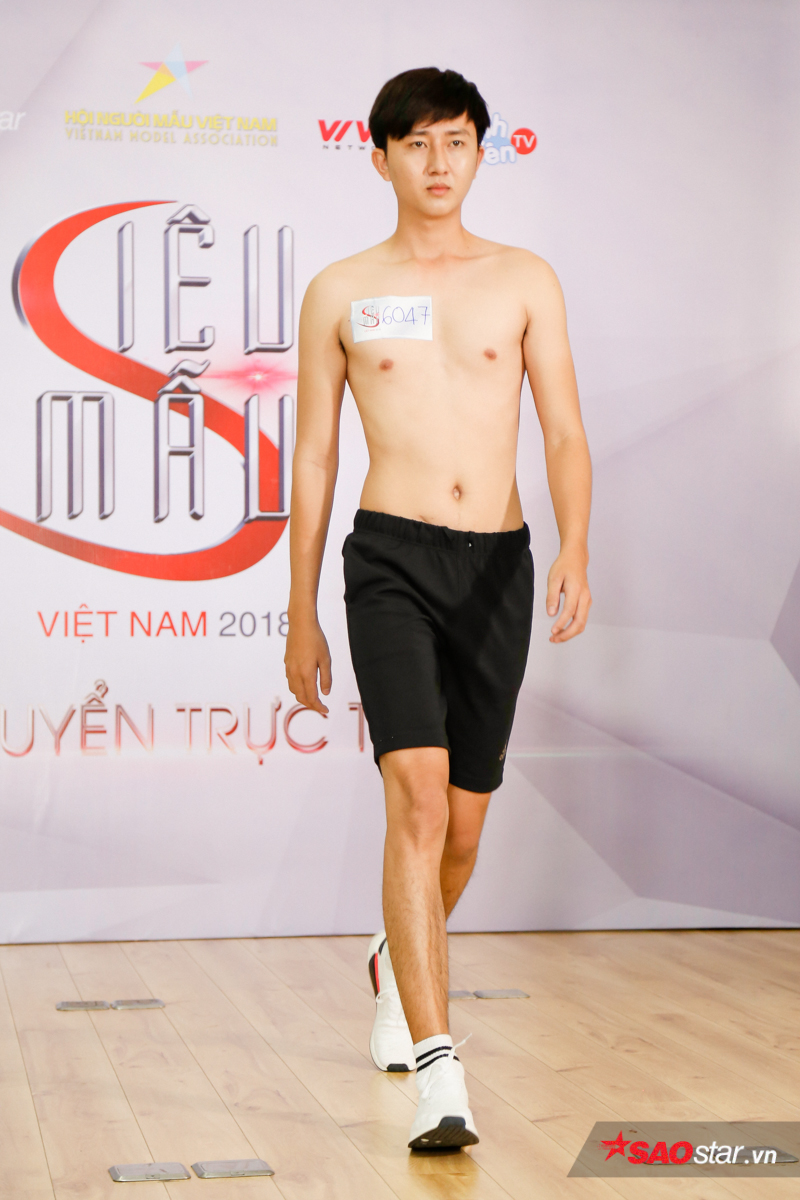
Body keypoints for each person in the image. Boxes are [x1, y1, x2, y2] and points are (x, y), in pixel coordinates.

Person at [285, 66, 592, 1151]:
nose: (436, 161)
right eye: (414, 143)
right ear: (378, 157)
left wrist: (575, 546)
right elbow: (314, 457)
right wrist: (298, 607)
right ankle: (438, 1069)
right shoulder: (338, 289)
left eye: (455, 141)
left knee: (460, 827)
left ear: (480, 152)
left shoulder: (523, 279)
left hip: (498, 567)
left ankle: (392, 958)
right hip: (391, 562)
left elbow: (562, 429)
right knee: (414, 798)